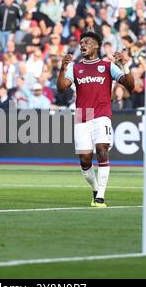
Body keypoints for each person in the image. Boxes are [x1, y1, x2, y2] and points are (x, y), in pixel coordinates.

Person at [57, 31, 134, 207]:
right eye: (81, 43)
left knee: (102, 150)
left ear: (96, 46)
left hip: (101, 114)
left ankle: (100, 196)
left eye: (87, 42)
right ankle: (95, 188)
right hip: (82, 116)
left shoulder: (107, 66)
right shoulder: (75, 68)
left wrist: (125, 66)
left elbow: (130, 85)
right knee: (85, 159)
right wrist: (62, 68)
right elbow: (61, 88)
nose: (82, 45)